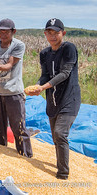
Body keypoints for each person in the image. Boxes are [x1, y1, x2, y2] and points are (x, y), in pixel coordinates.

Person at [26, 18, 80, 180]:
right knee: (56, 137)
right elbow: (45, 76)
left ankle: (63, 173)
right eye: (49, 32)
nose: (52, 36)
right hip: (53, 101)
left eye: (56, 32)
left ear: (63, 33)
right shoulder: (44, 54)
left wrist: (43, 88)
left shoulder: (69, 48)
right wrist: (37, 85)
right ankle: (60, 161)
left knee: (60, 133)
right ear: (45, 34)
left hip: (69, 100)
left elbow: (65, 73)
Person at [0, 18, 33, 158]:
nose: (3, 34)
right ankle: (0, 155)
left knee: (18, 126)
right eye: (0, 31)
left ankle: (25, 155)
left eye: (6, 32)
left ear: (13, 32)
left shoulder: (18, 45)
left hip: (14, 92)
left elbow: (9, 65)